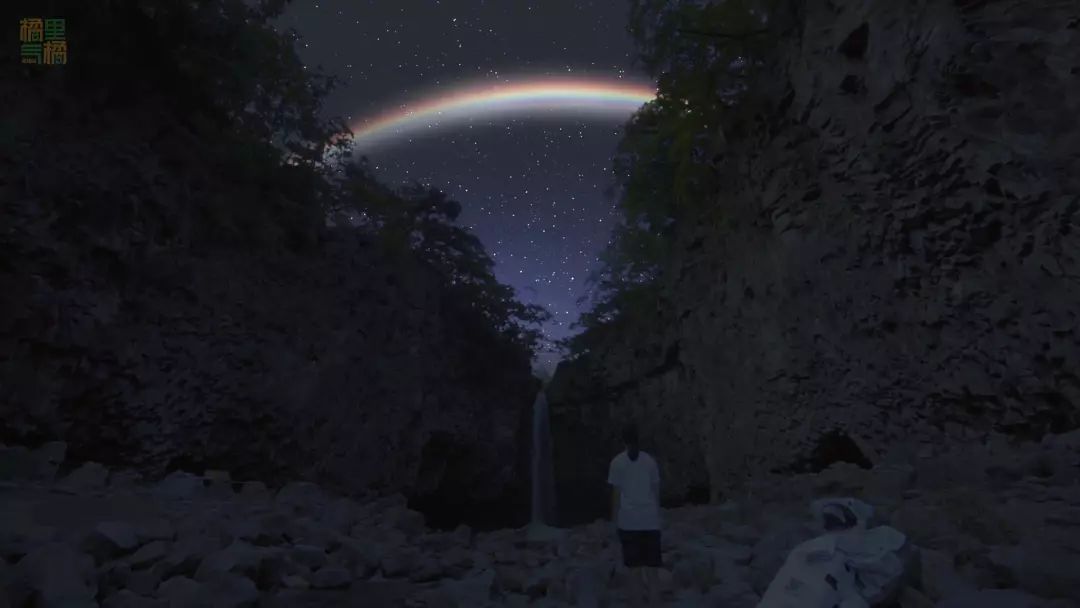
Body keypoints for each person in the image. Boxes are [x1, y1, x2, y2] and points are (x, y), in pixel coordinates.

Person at [608, 422, 662, 606]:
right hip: (650, 522)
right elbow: (656, 493)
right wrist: (657, 517)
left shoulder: (617, 463)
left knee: (634, 573)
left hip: (629, 524)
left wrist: (614, 523)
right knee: (653, 574)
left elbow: (616, 497)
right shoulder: (650, 461)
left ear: (623, 440)